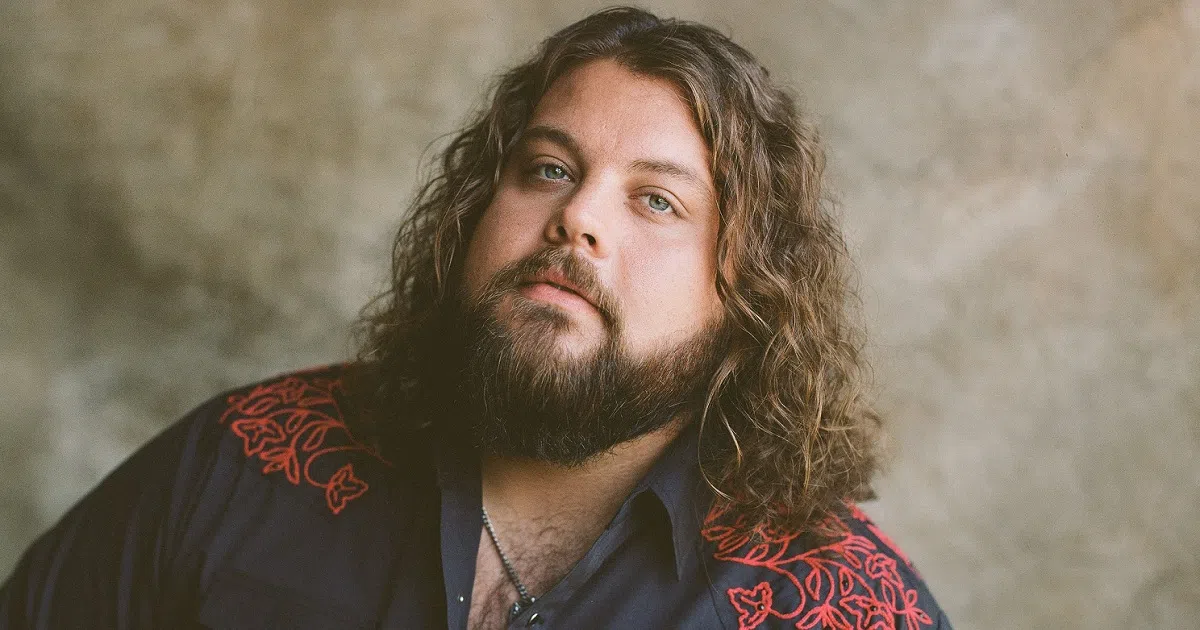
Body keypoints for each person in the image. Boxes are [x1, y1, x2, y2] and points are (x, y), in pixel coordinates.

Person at [0, 7, 951, 629]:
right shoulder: (244, 462)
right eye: (549, 168)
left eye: (657, 200)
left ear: (750, 296)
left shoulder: (844, 609)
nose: (577, 216)